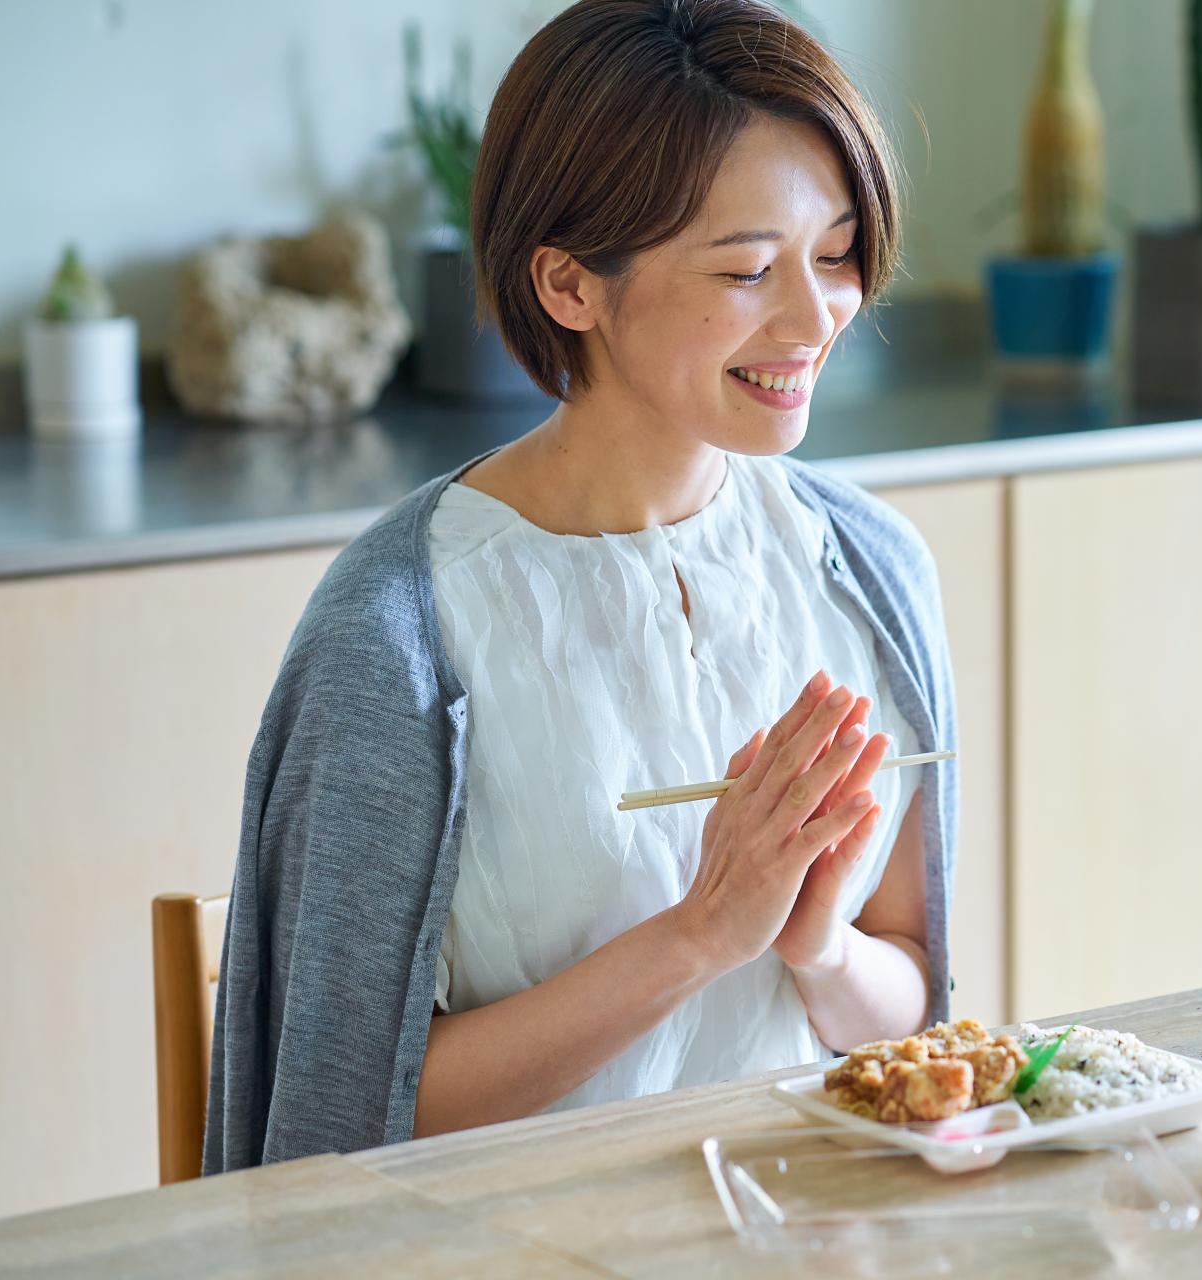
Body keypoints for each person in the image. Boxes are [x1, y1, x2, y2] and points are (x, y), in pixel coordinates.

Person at [204, 0, 959, 1171]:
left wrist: (819, 947)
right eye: (749, 268)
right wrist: (701, 932)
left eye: (835, 252)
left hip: (812, 1224)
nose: (817, 317)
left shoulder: (873, 571)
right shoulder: (400, 634)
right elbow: (346, 1124)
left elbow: (913, 1010)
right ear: (569, 285)